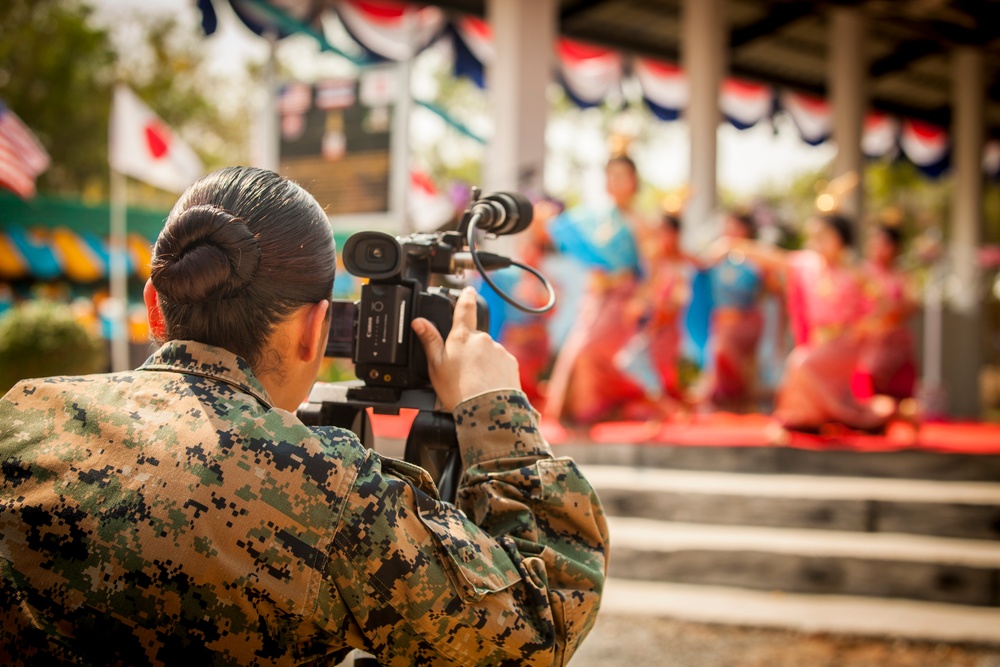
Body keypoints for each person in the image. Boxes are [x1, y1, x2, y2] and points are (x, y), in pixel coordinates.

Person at [0, 167, 608, 666]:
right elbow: (542, 623)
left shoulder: (23, 417)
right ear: (316, 328)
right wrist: (495, 410)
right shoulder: (330, 490)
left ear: (154, 308)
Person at [710, 213, 893, 434]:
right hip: (819, 342)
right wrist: (734, 244)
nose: (818, 241)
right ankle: (819, 418)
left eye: (824, 236)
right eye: (815, 236)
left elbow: (884, 302)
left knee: (800, 363)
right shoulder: (809, 265)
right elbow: (772, 257)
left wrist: (866, 326)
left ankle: (800, 416)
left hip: (846, 344)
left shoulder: (855, 272)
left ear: (841, 239)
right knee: (806, 363)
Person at [541, 155, 648, 425]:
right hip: (595, 299)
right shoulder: (593, 217)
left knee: (590, 351)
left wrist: (640, 299)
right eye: (611, 175)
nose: (615, 181)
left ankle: (595, 410)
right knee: (575, 351)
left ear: (634, 181)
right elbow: (558, 232)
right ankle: (579, 415)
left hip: (622, 301)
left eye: (622, 175)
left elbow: (653, 272)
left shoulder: (640, 223)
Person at [698, 213, 769, 412]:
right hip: (721, 320)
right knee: (720, 356)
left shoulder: (756, 257)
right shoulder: (716, 255)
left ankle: (741, 402)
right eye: (727, 225)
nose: (730, 230)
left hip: (747, 321)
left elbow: (772, 288)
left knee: (739, 363)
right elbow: (696, 263)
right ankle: (727, 401)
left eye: (735, 226)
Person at [854, 224, 917, 403]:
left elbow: (910, 305)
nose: (876, 248)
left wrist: (890, 307)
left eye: (882, 243)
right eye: (873, 242)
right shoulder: (860, 273)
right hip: (867, 340)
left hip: (894, 340)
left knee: (899, 391)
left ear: (894, 247)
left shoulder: (902, 275)